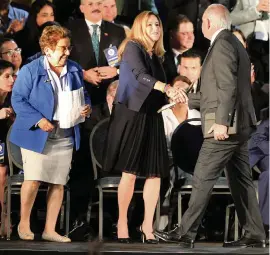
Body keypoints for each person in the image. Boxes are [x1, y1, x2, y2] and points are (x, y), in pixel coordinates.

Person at [154, 4, 266, 248]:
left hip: (226, 127)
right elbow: (216, 92)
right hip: (240, 125)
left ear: (210, 22)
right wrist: (187, 97)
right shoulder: (233, 42)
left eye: (203, 20)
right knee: (241, 180)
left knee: (203, 176)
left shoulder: (223, 44)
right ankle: (255, 233)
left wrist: (222, 123)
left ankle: (185, 233)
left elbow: (227, 88)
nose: (200, 24)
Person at [102, 11, 187, 244]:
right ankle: (121, 223)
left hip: (153, 116)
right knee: (129, 172)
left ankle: (147, 226)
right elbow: (140, 76)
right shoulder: (132, 47)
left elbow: (160, 90)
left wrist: (174, 95)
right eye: (149, 24)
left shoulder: (158, 56)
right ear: (140, 27)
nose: (155, 28)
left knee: (155, 173)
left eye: (157, 24)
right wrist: (166, 88)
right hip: (134, 115)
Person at [10, 25, 91, 242]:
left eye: (68, 48)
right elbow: (17, 100)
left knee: (58, 182)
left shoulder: (73, 69)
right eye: (62, 49)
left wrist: (86, 107)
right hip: (37, 133)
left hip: (64, 133)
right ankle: (24, 225)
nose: (67, 52)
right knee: (34, 179)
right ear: (47, 50)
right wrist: (39, 119)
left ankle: (50, 229)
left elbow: (83, 96)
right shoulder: (30, 70)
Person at [68, 0, 126, 105]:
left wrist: (116, 70)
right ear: (82, 8)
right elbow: (62, 61)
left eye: (99, 4)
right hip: (80, 96)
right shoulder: (69, 30)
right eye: (90, 4)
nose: (96, 7)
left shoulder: (117, 31)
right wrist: (82, 74)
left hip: (110, 97)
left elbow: (127, 61)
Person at [0, 59, 15, 237]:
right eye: (6, 76)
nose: (11, 80)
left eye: (12, 75)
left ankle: (5, 220)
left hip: (6, 144)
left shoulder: (13, 96)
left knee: (3, 173)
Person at [163, 15, 195, 84]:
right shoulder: (160, 58)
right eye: (184, 34)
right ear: (172, 34)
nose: (190, 37)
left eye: (192, 32)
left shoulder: (201, 58)